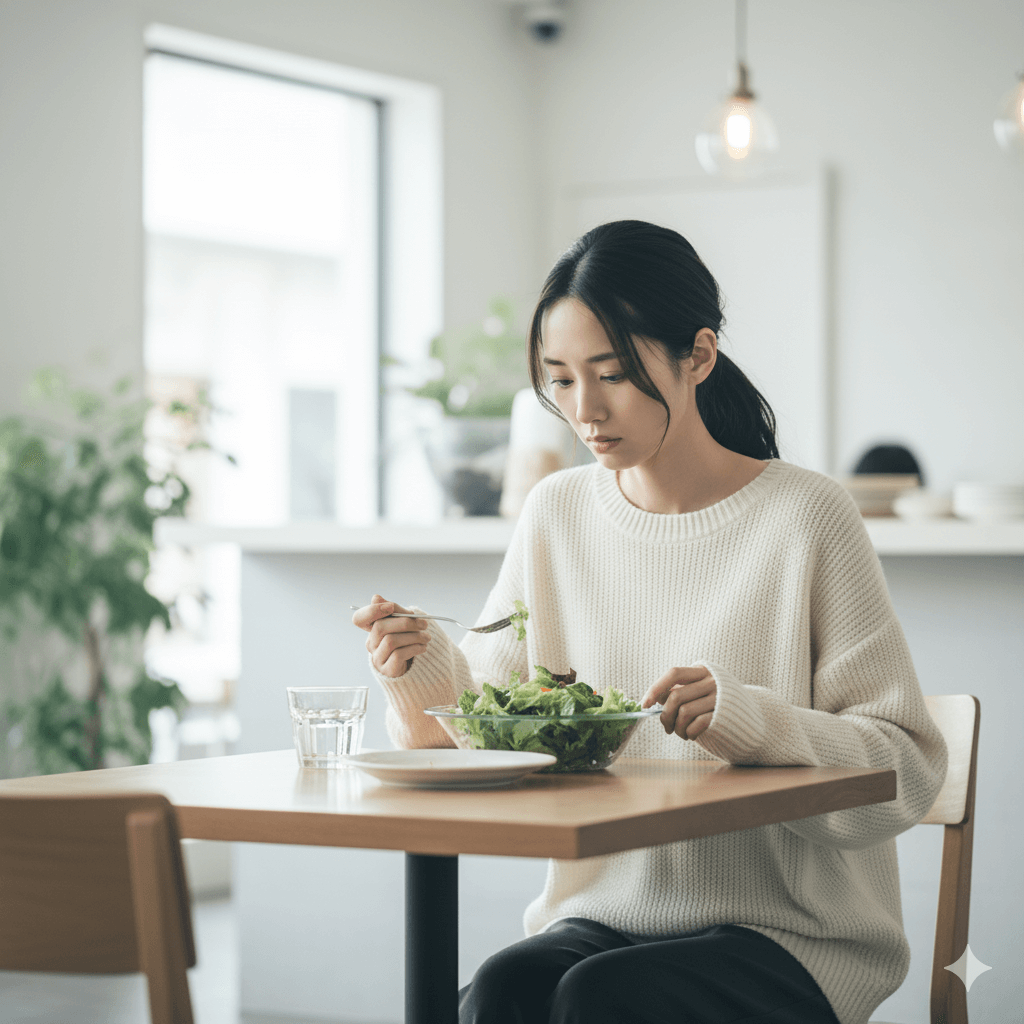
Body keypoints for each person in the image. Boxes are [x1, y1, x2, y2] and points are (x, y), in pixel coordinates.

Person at [352, 220, 947, 1024]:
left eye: (614, 375)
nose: (585, 410)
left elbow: (908, 773)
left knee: (600, 1001)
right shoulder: (556, 512)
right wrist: (420, 665)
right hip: (603, 916)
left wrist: (750, 721)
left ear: (697, 356)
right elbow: (480, 739)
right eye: (560, 381)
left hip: (794, 940)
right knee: (502, 992)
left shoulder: (808, 518)